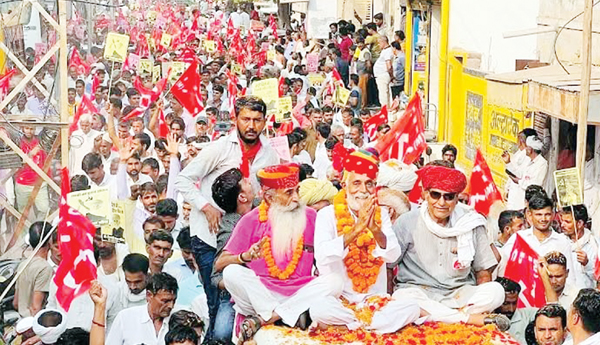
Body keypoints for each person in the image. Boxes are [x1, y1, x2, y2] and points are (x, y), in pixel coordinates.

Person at [175, 96, 279, 335]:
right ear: (235, 119)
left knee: (240, 301)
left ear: (264, 122)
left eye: (257, 120)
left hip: (245, 241)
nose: (251, 125)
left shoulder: (269, 155)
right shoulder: (219, 148)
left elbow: (267, 195)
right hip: (209, 238)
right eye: (246, 119)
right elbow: (184, 179)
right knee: (217, 300)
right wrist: (206, 207)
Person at [214, 164, 342, 342]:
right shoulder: (250, 221)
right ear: (269, 197)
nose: (296, 198)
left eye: (297, 191)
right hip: (261, 293)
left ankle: (268, 318)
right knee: (231, 272)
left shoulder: (311, 216)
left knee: (335, 281)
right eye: (289, 193)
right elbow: (220, 264)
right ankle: (289, 314)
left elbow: (325, 257)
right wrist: (244, 256)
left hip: (300, 291)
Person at [311, 150, 420, 333]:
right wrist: (356, 230)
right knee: (318, 308)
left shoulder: (382, 214)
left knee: (412, 308)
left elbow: (393, 254)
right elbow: (322, 256)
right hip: (340, 299)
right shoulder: (326, 215)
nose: (363, 190)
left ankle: (351, 327)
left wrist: (374, 229)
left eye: (369, 184)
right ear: (344, 185)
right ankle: (364, 325)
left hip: (374, 301)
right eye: (356, 183)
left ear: (375, 187)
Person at [392, 165, 508, 329]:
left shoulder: (470, 222)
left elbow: (483, 272)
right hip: (418, 291)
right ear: (426, 194)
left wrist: (485, 306)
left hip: (460, 294)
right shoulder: (407, 222)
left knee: (496, 292)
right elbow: (389, 265)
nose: (441, 202)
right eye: (435, 195)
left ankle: (444, 316)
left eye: (448, 197)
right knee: (402, 297)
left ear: (456, 198)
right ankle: (464, 319)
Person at [210, 168, 254, 343]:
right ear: (242, 198)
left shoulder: (261, 207)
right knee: (222, 333)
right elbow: (215, 276)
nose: (250, 181)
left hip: (272, 284)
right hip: (234, 297)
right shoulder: (230, 229)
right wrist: (239, 284)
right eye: (245, 181)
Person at [501, 195, 574, 284]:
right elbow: (504, 268)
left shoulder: (562, 242)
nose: (543, 219)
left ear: (553, 215)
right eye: (539, 215)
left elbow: (569, 278)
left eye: (547, 214)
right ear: (529, 215)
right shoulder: (518, 239)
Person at [107, 272, 178, 345]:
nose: (171, 306)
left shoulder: (179, 320)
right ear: (149, 295)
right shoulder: (125, 318)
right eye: (165, 301)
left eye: (174, 301)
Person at [15, 222, 54, 317]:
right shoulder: (45, 268)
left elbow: (16, 302)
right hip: (33, 326)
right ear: (49, 241)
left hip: (22, 322)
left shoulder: (23, 265)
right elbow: (36, 308)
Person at [559, 205, 599, 289]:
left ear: (580, 223)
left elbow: (598, 277)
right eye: (562, 221)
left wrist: (586, 263)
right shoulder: (559, 241)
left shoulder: (595, 244)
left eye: (567, 222)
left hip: (586, 297)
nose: (562, 225)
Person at [507, 136, 548, 207]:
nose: (525, 149)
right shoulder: (528, 160)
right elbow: (519, 173)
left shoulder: (542, 164)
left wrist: (519, 181)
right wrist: (508, 163)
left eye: (526, 147)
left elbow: (535, 185)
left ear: (530, 149)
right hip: (519, 199)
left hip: (530, 201)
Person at [495, 277, 537, 344]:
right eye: (506, 304)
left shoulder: (527, 315)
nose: (511, 309)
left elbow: (554, 313)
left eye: (514, 303)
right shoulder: (481, 319)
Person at [503, 128, 537, 210]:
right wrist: (507, 188)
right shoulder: (519, 153)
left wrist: (508, 163)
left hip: (520, 193)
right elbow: (511, 175)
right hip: (514, 191)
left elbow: (518, 174)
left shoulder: (528, 156)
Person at [373, 36, 393, 108]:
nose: (378, 45)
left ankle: (385, 108)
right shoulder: (385, 51)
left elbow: (389, 65)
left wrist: (391, 75)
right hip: (381, 75)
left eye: (379, 43)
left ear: (383, 42)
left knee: (383, 93)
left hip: (383, 75)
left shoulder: (388, 51)